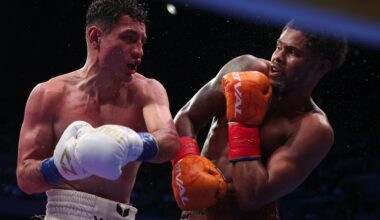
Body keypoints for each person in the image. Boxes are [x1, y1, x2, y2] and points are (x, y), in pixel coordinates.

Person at [16, 0, 179, 219]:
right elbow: (26, 177)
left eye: (142, 42)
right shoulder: (49, 94)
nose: (139, 51)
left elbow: (169, 141)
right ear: (95, 37)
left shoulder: (147, 90)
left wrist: (133, 144)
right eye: (129, 38)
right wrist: (65, 164)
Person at [171, 20, 347, 219]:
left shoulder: (313, 128)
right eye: (278, 46)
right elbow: (187, 116)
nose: (278, 57)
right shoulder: (246, 68)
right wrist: (187, 163)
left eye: (292, 52)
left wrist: (242, 120)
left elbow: (251, 196)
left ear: (322, 66)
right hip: (197, 213)